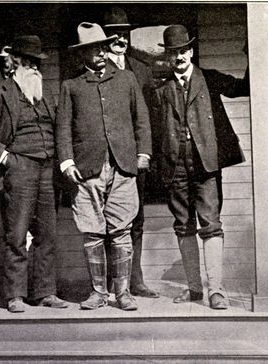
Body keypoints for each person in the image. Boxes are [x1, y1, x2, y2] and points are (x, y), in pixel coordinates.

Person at [56, 23, 152, 311]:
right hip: (87, 168)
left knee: (122, 229)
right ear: (82, 54)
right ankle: (98, 292)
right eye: (91, 49)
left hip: (123, 165)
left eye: (101, 47)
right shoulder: (71, 86)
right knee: (92, 231)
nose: (98, 53)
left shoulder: (126, 80)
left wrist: (144, 153)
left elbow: (142, 120)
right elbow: (63, 128)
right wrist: (67, 161)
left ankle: (122, 293)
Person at [0, 35, 68, 313]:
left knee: (47, 234)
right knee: (16, 234)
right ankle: (15, 294)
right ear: (15, 64)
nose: (35, 68)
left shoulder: (46, 96)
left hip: (47, 169)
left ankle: (46, 292)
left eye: (38, 63)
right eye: (29, 62)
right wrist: (6, 158)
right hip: (18, 168)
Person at [156, 25, 248, 309]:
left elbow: (242, 88)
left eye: (183, 50)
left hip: (206, 165)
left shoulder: (208, 79)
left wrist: (253, 54)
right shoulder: (159, 88)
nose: (179, 57)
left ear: (191, 51)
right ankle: (195, 289)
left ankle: (215, 290)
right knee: (183, 226)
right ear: (168, 57)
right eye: (174, 53)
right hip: (175, 167)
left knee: (211, 225)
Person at [102, 6, 159, 298]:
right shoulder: (96, 70)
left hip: (134, 160)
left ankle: (134, 280)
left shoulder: (142, 70)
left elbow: (148, 118)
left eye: (124, 33)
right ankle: (111, 283)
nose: (120, 38)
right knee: (108, 221)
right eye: (114, 34)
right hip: (104, 162)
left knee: (135, 219)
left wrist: (145, 154)